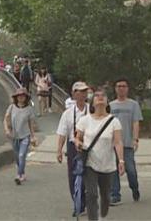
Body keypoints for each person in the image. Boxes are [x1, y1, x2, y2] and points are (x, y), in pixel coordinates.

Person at [75, 89, 124, 221]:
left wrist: (121, 161)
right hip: (90, 162)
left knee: (106, 196)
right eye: (97, 96)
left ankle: (103, 215)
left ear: (107, 102)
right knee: (91, 194)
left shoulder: (114, 121)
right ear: (92, 103)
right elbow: (77, 138)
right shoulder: (84, 120)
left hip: (107, 164)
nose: (100, 97)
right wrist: (78, 143)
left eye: (103, 95)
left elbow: (118, 142)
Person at [56, 82, 91, 214]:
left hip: (90, 145)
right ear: (74, 94)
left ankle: (87, 201)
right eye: (79, 91)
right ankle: (78, 204)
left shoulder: (92, 110)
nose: (82, 94)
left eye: (84, 91)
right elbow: (62, 132)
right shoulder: (68, 114)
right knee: (73, 175)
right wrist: (59, 150)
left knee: (89, 175)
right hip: (73, 146)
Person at [109, 78, 142, 205]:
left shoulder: (133, 105)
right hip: (112, 144)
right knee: (113, 170)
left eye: (123, 86)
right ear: (115, 88)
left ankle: (135, 188)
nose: (121, 88)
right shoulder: (111, 105)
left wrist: (136, 139)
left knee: (131, 170)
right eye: (118, 86)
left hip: (127, 143)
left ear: (127, 88)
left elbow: (136, 122)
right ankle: (115, 194)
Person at [3, 87, 37, 185]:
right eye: (19, 96)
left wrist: (33, 136)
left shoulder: (29, 109)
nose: (21, 98)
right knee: (17, 156)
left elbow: (31, 124)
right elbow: (5, 119)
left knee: (22, 155)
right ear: (16, 97)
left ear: (26, 97)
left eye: (23, 96)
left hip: (25, 136)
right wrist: (6, 130)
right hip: (14, 136)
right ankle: (22, 173)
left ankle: (19, 175)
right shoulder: (11, 107)